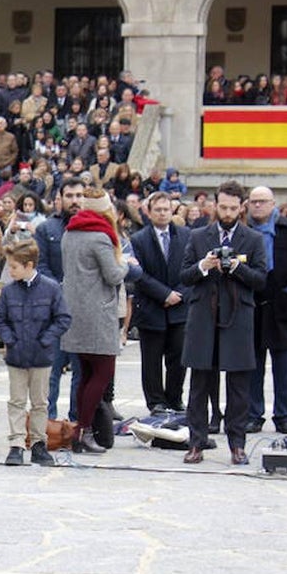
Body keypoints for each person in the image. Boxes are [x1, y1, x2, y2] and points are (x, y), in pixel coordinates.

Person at [180, 181, 267, 465]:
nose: (228, 212)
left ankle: (237, 444)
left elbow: (261, 279)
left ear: (241, 207)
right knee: (199, 385)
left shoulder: (252, 239)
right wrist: (204, 267)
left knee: (239, 387)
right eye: (223, 207)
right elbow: (184, 275)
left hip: (238, 319)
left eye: (233, 208)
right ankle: (196, 443)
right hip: (204, 317)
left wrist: (238, 268)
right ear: (215, 205)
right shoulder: (197, 236)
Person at [60, 189, 130, 453]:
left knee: (85, 375)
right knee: (101, 375)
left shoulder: (69, 233)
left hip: (74, 313)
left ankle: (81, 428)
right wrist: (128, 265)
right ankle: (84, 431)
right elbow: (113, 276)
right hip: (98, 314)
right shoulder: (101, 237)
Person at [0, 240, 72, 466]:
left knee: (40, 402)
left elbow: (63, 318)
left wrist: (46, 339)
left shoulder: (51, 288)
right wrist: (9, 339)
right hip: (17, 356)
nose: (10, 271)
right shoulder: (9, 292)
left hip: (42, 356)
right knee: (16, 401)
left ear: (29, 265)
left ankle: (39, 442)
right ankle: (16, 443)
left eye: (14, 267)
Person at [130, 192, 191, 413]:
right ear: (148, 211)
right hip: (152, 307)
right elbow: (138, 274)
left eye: (166, 209)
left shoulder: (185, 235)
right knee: (152, 360)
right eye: (158, 209)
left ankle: (175, 398)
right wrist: (164, 294)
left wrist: (179, 294)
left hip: (180, 307)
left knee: (179, 358)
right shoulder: (138, 239)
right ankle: (156, 401)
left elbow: (193, 268)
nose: (163, 213)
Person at [35, 177, 86, 420]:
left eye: (79, 195)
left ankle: (77, 423)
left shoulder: (93, 228)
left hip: (85, 313)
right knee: (50, 372)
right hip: (53, 312)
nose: (75, 201)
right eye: (70, 196)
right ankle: (48, 424)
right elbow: (40, 267)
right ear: (60, 199)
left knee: (82, 373)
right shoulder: (46, 229)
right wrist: (63, 291)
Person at [245, 186, 287, 433]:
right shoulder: (244, 233)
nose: (258, 205)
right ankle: (253, 414)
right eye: (254, 201)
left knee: (285, 367)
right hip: (253, 305)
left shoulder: (286, 229)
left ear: (273, 204)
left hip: (283, 307)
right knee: (253, 365)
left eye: (263, 201)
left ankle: (284, 414)